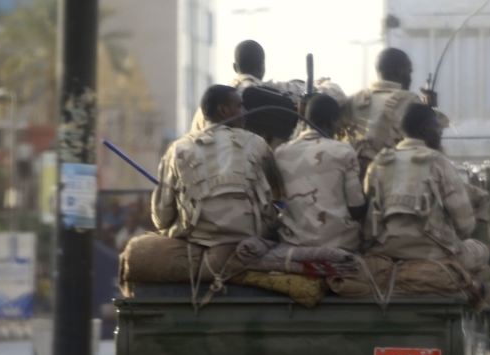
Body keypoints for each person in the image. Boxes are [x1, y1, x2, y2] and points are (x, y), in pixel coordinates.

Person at [363, 103, 490, 308]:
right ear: (423, 129)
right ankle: (483, 291)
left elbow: (368, 215)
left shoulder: (378, 162)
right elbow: (465, 224)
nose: (440, 132)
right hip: (431, 251)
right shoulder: (438, 161)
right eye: (437, 127)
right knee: (480, 251)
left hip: (384, 249)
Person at [153, 85, 281, 248]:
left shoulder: (178, 149)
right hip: (251, 236)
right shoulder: (257, 144)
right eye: (239, 106)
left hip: (197, 238)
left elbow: (161, 217)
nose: (244, 111)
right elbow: (277, 195)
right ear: (222, 110)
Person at [273, 94, 366, 252]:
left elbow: (277, 198)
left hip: (294, 242)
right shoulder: (343, 151)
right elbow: (356, 209)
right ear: (331, 121)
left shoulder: (281, 152)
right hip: (340, 243)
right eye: (337, 124)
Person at [340, 48, 427, 173]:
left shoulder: (353, 99)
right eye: (409, 72)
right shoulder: (411, 101)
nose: (411, 78)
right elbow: (428, 140)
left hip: (352, 173)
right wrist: (430, 107)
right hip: (389, 177)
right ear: (399, 71)